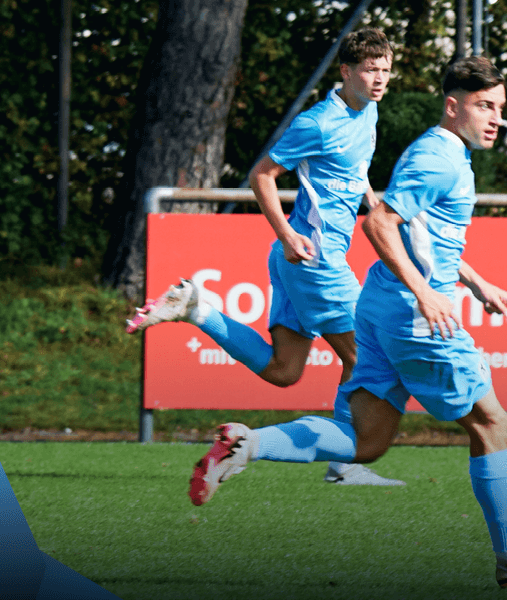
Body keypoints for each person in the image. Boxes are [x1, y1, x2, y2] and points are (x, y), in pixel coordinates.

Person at [188, 56, 507, 589]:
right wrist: (426, 293)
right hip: (412, 316)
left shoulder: (440, 152)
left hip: (380, 307)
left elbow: (420, 232)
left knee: (365, 440)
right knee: (491, 424)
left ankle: (249, 443)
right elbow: (379, 222)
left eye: (499, 108)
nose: (495, 118)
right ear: (453, 105)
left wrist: (474, 281)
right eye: (485, 106)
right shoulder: (441, 159)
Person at [126, 27, 404, 487]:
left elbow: (355, 171)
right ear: (346, 72)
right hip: (315, 261)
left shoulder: (369, 111)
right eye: (371, 70)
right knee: (367, 358)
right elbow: (262, 176)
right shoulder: (317, 122)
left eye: (386, 70)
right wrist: (288, 234)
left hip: (299, 260)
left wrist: (372, 206)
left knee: (283, 370)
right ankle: (343, 463)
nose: (379, 80)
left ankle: (199, 308)